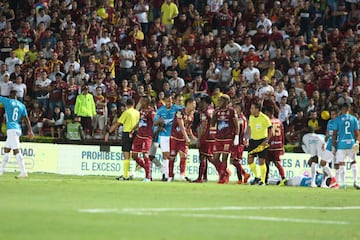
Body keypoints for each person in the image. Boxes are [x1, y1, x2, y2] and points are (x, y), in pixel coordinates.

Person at [0, 90, 34, 178]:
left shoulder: (7, 101)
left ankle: (23, 171)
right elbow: (26, 119)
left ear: (10, 95)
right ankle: (1, 170)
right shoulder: (22, 105)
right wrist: (30, 130)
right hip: (17, 128)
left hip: (11, 129)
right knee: (7, 149)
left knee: (16, 150)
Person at [105, 99, 140, 181]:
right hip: (136, 134)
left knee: (126, 156)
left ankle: (125, 175)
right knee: (136, 155)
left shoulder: (126, 112)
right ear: (134, 104)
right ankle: (133, 173)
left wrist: (108, 132)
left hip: (127, 133)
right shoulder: (137, 113)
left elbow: (118, 123)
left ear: (126, 105)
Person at [211, 94, 239, 184]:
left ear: (226, 102)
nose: (219, 102)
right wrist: (214, 115)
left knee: (224, 158)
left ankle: (222, 178)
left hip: (228, 137)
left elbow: (236, 124)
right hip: (218, 137)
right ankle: (226, 172)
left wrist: (236, 136)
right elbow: (212, 124)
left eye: (221, 100)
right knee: (215, 159)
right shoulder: (217, 111)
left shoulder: (231, 111)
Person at [153, 94, 181, 181]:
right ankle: (166, 174)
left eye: (171, 101)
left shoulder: (176, 108)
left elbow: (185, 109)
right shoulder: (161, 110)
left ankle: (169, 174)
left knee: (170, 155)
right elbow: (154, 123)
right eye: (168, 101)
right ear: (164, 101)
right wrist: (159, 121)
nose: (169, 103)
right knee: (165, 155)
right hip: (163, 135)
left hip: (173, 136)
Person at [332, 103, 360, 189]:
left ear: (342, 109)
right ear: (349, 109)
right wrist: (357, 142)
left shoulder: (337, 119)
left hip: (341, 144)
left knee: (342, 164)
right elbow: (357, 133)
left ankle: (343, 184)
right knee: (353, 162)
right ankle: (356, 181)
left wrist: (333, 146)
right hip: (351, 144)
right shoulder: (354, 119)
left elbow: (334, 134)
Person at [168, 98, 196, 182]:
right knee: (172, 157)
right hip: (175, 138)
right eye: (193, 104)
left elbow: (188, 127)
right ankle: (170, 176)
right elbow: (181, 126)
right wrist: (187, 137)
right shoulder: (179, 112)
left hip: (183, 139)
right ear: (188, 104)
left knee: (183, 156)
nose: (194, 106)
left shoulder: (192, 115)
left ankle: (182, 175)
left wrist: (192, 136)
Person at [246, 102, 272, 186]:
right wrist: (247, 138)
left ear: (257, 109)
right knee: (250, 160)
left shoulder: (264, 118)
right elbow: (250, 128)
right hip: (253, 141)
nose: (251, 110)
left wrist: (267, 140)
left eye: (252, 108)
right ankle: (257, 177)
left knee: (261, 161)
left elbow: (270, 130)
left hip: (262, 141)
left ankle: (263, 181)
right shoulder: (251, 117)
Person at [131, 96, 155, 182]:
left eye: (142, 101)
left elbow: (155, 122)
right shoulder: (141, 110)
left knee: (145, 155)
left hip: (147, 136)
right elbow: (140, 122)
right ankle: (147, 168)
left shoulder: (151, 111)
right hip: (139, 135)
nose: (140, 102)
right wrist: (133, 129)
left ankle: (147, 177)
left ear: (146, 102)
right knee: (134, 155)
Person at [193, 96, 216, 183]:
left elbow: (203, 126)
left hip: (206, 136)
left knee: (203, 156)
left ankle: (200, 178)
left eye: (202, 102)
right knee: (208, 156)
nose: (201, 104)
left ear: (205, 103)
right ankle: (205, 177)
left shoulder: (204, 113)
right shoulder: (214, 111)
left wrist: (199, 139)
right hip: (213, 136)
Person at [264, 106, 286, 185]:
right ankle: (283, 178)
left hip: (269, 145)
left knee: (266, 163)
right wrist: (282, 146)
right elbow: (282, 134)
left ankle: (265, 180)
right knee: (277, 163)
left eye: (266, 113)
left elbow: (266, 134)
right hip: (278, 145)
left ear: (268, 113)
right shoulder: (279, 121)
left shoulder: (267, 121)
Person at [230, 103, 250, 184]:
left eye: (237, 108)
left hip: (239, 142)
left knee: (235, 160)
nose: (235, 109)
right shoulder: (242, 118)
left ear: (241, 109)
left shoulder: (240, 118)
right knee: (233, 160)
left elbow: (241, 130)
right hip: (238, 141)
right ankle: (244, 174)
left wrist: (237, 138)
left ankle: (241, 178)